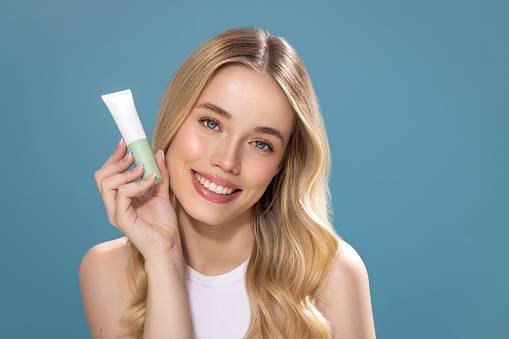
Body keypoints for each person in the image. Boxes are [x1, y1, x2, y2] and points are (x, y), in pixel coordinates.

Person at [80, 27, 376, 339]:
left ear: (282, 163)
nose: (227, 161)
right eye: (211, 123)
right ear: (175, 119)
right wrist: (163, 256)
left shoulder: (332, 273)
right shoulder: (107, 270)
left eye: (261, 143)